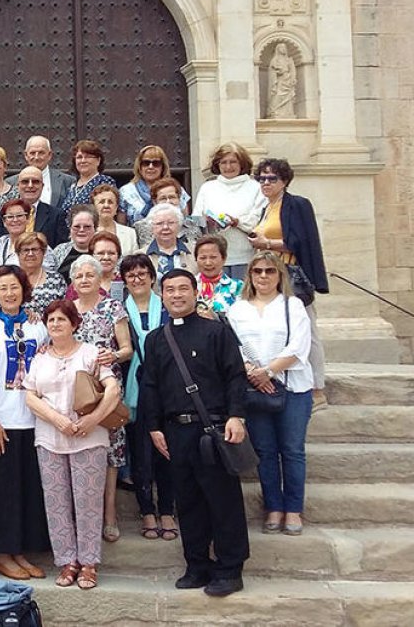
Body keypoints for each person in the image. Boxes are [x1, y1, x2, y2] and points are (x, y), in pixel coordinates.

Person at [139, 269, 251, 597]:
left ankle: (230, 568)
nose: (176, 295)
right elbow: (151, 386)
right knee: (187, 502)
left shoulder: (217, 333)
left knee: (223, 500)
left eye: (182, 289)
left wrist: (237, 417)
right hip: (176, 431)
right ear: (162, 295)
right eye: (170, 290)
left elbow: (235, 377)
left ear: (193, 291)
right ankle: (197, 564)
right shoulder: (156, 339)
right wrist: (154, 427)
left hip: (214, 430)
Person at [22, 300, 121, 590]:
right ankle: (67, 561)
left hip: (89, 439)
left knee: (88, 502)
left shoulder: (91, 354)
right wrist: (57, 420)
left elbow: (112, 390)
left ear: (74, 323)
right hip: (50, 439)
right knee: (56, 503)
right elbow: (30, 396)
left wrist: (93, 420)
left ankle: (89, 563)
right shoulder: (40, 358)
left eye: (61, 319)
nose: (55, 324)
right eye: (50, 320)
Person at [227, 253, 314, 536]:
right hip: (255, 388)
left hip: (292, 387)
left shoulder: (292, 306)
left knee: (291, 450)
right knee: (264, 451)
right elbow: (233, 346)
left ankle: (293, 509)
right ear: (250, 276)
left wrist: (269, 372)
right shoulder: (238, 309)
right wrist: (253, 372)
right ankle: (273, 507)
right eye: (257, 271)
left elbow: (299, 346)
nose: (263, 276)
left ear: (279, 275)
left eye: (269, 271)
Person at [0, 266, 51, 580]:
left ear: (24, 290)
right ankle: (3, 554)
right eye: (4, 288)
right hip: (2, 421)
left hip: (33, 420)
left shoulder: (38, 326)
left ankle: (20, 550)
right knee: (2, 490)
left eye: (15, 287)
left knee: (26, 489)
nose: (10, 293)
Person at [249, 158, 329, 391]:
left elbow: (301, 241)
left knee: (307, 330)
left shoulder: (297, 204)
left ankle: (317, 387)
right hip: (271, 275)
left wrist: (267, 242)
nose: (266, 182)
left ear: (284, 181)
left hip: (290, 274)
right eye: (262, 178)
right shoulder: (266, 207)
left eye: (272, 178)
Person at [70, 255, 133, 543]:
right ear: (73, 281)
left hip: (106, 387)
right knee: (79, 447)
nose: (84, 280)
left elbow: (127, 349)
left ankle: (109, 515)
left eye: (89, 275)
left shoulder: (112, 307)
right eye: (79, 276)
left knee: (110, 454)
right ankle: (80, 516)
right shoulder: (67, 310)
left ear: (99, 279)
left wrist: (114, 355)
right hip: (75, 389)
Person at [119, 254, 177, 542]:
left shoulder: (168, 308)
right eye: (131, 275)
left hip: (168, 390)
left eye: (143, 273)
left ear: (153, 277)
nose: (137, 279)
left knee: (166, 453)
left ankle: (167, 510)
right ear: (124, 281)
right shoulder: (118, 311)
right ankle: (147, 512)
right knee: (140, 454)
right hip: (134, 391)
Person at [193, 142, 268, 278]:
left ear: (242, 163)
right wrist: (207, 222)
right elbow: (196, 220)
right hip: (213, 260)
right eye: (223, 162)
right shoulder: (208, 188)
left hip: (245, 257)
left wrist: (237, 222)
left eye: (233, 162)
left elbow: (260, 220)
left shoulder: (255, 187)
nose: (228, 167)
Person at [120, 146, 190, 225]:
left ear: (162, 166)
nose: (150, 167)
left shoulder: (177, 189)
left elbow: (185, 221)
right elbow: (122, 226)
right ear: (139, 166)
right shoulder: (126, 192)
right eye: (146, 163)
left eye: (156, 163)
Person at [134, 177, 201, 249]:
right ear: (155, 202)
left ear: (179, 199)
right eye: (163, 198)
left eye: (172, 197)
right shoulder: (141, 227)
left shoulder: (193, 225)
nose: (168, 202)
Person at [9, 135, 74, 209]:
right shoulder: (11, 182)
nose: (36, 157)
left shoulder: (67, 181)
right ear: (26, 155)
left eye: (41, 153)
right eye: (32, 153)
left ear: (49, 155)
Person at [12, 166, 67, 247]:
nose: (30, 185)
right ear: (18, 186)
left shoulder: (56, 215)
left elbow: (61, 247)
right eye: (25, 181)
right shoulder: (5, 214)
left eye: (35, 182)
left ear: (42, 186)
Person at [137, 204, 197, 278]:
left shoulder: (195, 252)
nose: (165, 227)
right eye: (159, 223)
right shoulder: (140, 256)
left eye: (171, 223)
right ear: (151, 227)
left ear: (179, 225)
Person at [59, 140, 119, 215]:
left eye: (87, 157)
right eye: (79, 157)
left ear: (98, 160)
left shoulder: (104, 182)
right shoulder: (72, 185)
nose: (83, 160)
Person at [17, 232, 67, 319]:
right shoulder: (11, 278)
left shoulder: (56, 280)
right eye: (25, 250)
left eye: (35, 249)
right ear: (18, 253)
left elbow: (65, 311)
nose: (30, 254)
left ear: (43, 252)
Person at [45, 204, 98, 284]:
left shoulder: (103, 251)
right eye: (77, 226)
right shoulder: (59, 250)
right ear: (70, 228)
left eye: (87, 227)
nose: (81, 230)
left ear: (95, 228)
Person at [193, 235, 244, 319]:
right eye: (202, 258)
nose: (208, 263)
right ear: (196, 259)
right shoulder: (189, 285)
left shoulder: (237, 287)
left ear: (224, 259)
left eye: (213, 257)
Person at [92, 185, 139, 255]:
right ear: (93, 207)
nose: (106, 205)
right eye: (102, 202)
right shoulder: (87, 233)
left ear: (116, 207)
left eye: (110, 202)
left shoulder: (130, 234)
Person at [0, 199, 31, 271]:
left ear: (28, 219)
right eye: (10, 217)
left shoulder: (36, 244)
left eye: (19, 215)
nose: (15, 220)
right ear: (4, 222)